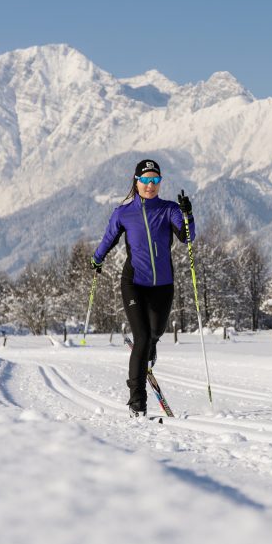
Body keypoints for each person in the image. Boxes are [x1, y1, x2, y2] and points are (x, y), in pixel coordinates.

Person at [90, 158, 195, 417]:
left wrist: (187, 214)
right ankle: (137, 402)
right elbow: (108, 238)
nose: (150, 185)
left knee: (156, 332)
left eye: (155, 180)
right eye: (146, 180)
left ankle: (150, 347)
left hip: (163, 285)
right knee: (143, 338)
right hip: (134, 283)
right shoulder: (123, 212)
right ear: (136, 182)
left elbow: (188, 237)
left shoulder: (168, 209)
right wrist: (97, 258)